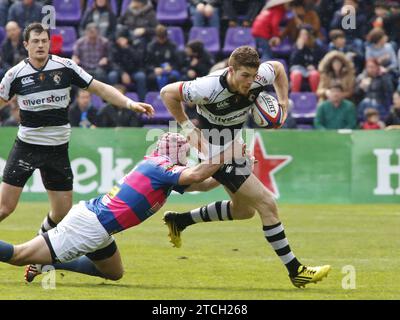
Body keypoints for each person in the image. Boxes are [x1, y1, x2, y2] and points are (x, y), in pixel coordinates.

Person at [160, 45, 331, 288]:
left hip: (234, 144)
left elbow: (280, 69)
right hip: (215, 149)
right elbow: (167, 92)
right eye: (244, 76)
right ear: (231, 70)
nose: (250, 82)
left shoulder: (260, 75)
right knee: (267, 204)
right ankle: (297, 270)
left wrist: (283, 103)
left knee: (243, 211)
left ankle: (180, 220)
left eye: (253, 76)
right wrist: (188, 129)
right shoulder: (207, 88)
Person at [0, 23, 154, 245]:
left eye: (44, 40)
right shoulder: (15, 75)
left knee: (61, 214)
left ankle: (37, 244)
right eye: (35, 41)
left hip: (57, 150)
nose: (40, 45)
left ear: (49, 43)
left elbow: (100, 88)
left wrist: (130, 103)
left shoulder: (65, 67)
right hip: (27, 147)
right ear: (26, 45)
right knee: (5, 208)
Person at [0, 132, 223, 283]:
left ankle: (50, 263)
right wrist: (226, 155)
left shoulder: (161, 169)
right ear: (175, 152)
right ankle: (44, 259)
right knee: (19, 256)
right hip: (88, 227)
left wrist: (227, 173)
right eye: (184, 153)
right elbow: (196, 174)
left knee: (113, 273)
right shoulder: (160, 166)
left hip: (99, 225)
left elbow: (201, 185)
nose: (186, 158)